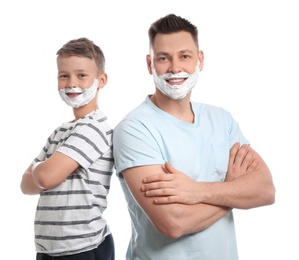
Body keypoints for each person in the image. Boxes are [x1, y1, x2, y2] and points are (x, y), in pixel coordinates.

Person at [113, 14, 275, 260]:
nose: (175, 68)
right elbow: (172, 222)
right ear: (149, 64)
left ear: (200, 60)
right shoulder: (134, 128)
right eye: (163, 58)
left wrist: (196, 191)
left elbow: (265, 191)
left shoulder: (222, 120)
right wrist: (233, 190)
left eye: (185, 56)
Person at [20, 38, 115, 260]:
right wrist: (46, 171)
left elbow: (44, 176)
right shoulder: (61, 131)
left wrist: (42, 169)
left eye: (81, 75)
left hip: (82, 246)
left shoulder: (94, 127)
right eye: (64, 75)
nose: (71, 83)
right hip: (48, 248)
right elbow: (25, 185)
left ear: (101, 80)